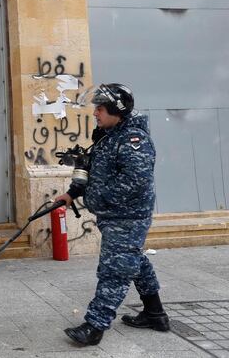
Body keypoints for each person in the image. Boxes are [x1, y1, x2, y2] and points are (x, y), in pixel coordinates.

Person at [55, 83, 169, 345]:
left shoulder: (133, 140)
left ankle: (95, 327)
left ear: (117, 110)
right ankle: (155, 314)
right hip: (114, 214)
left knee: (115, 270)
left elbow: (135, 183)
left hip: (127, 216)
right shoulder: (108, 134)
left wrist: (98, 197)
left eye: (100, 108)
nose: (95, 112)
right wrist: (72, 192)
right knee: (135, 261)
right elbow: (96, 170)